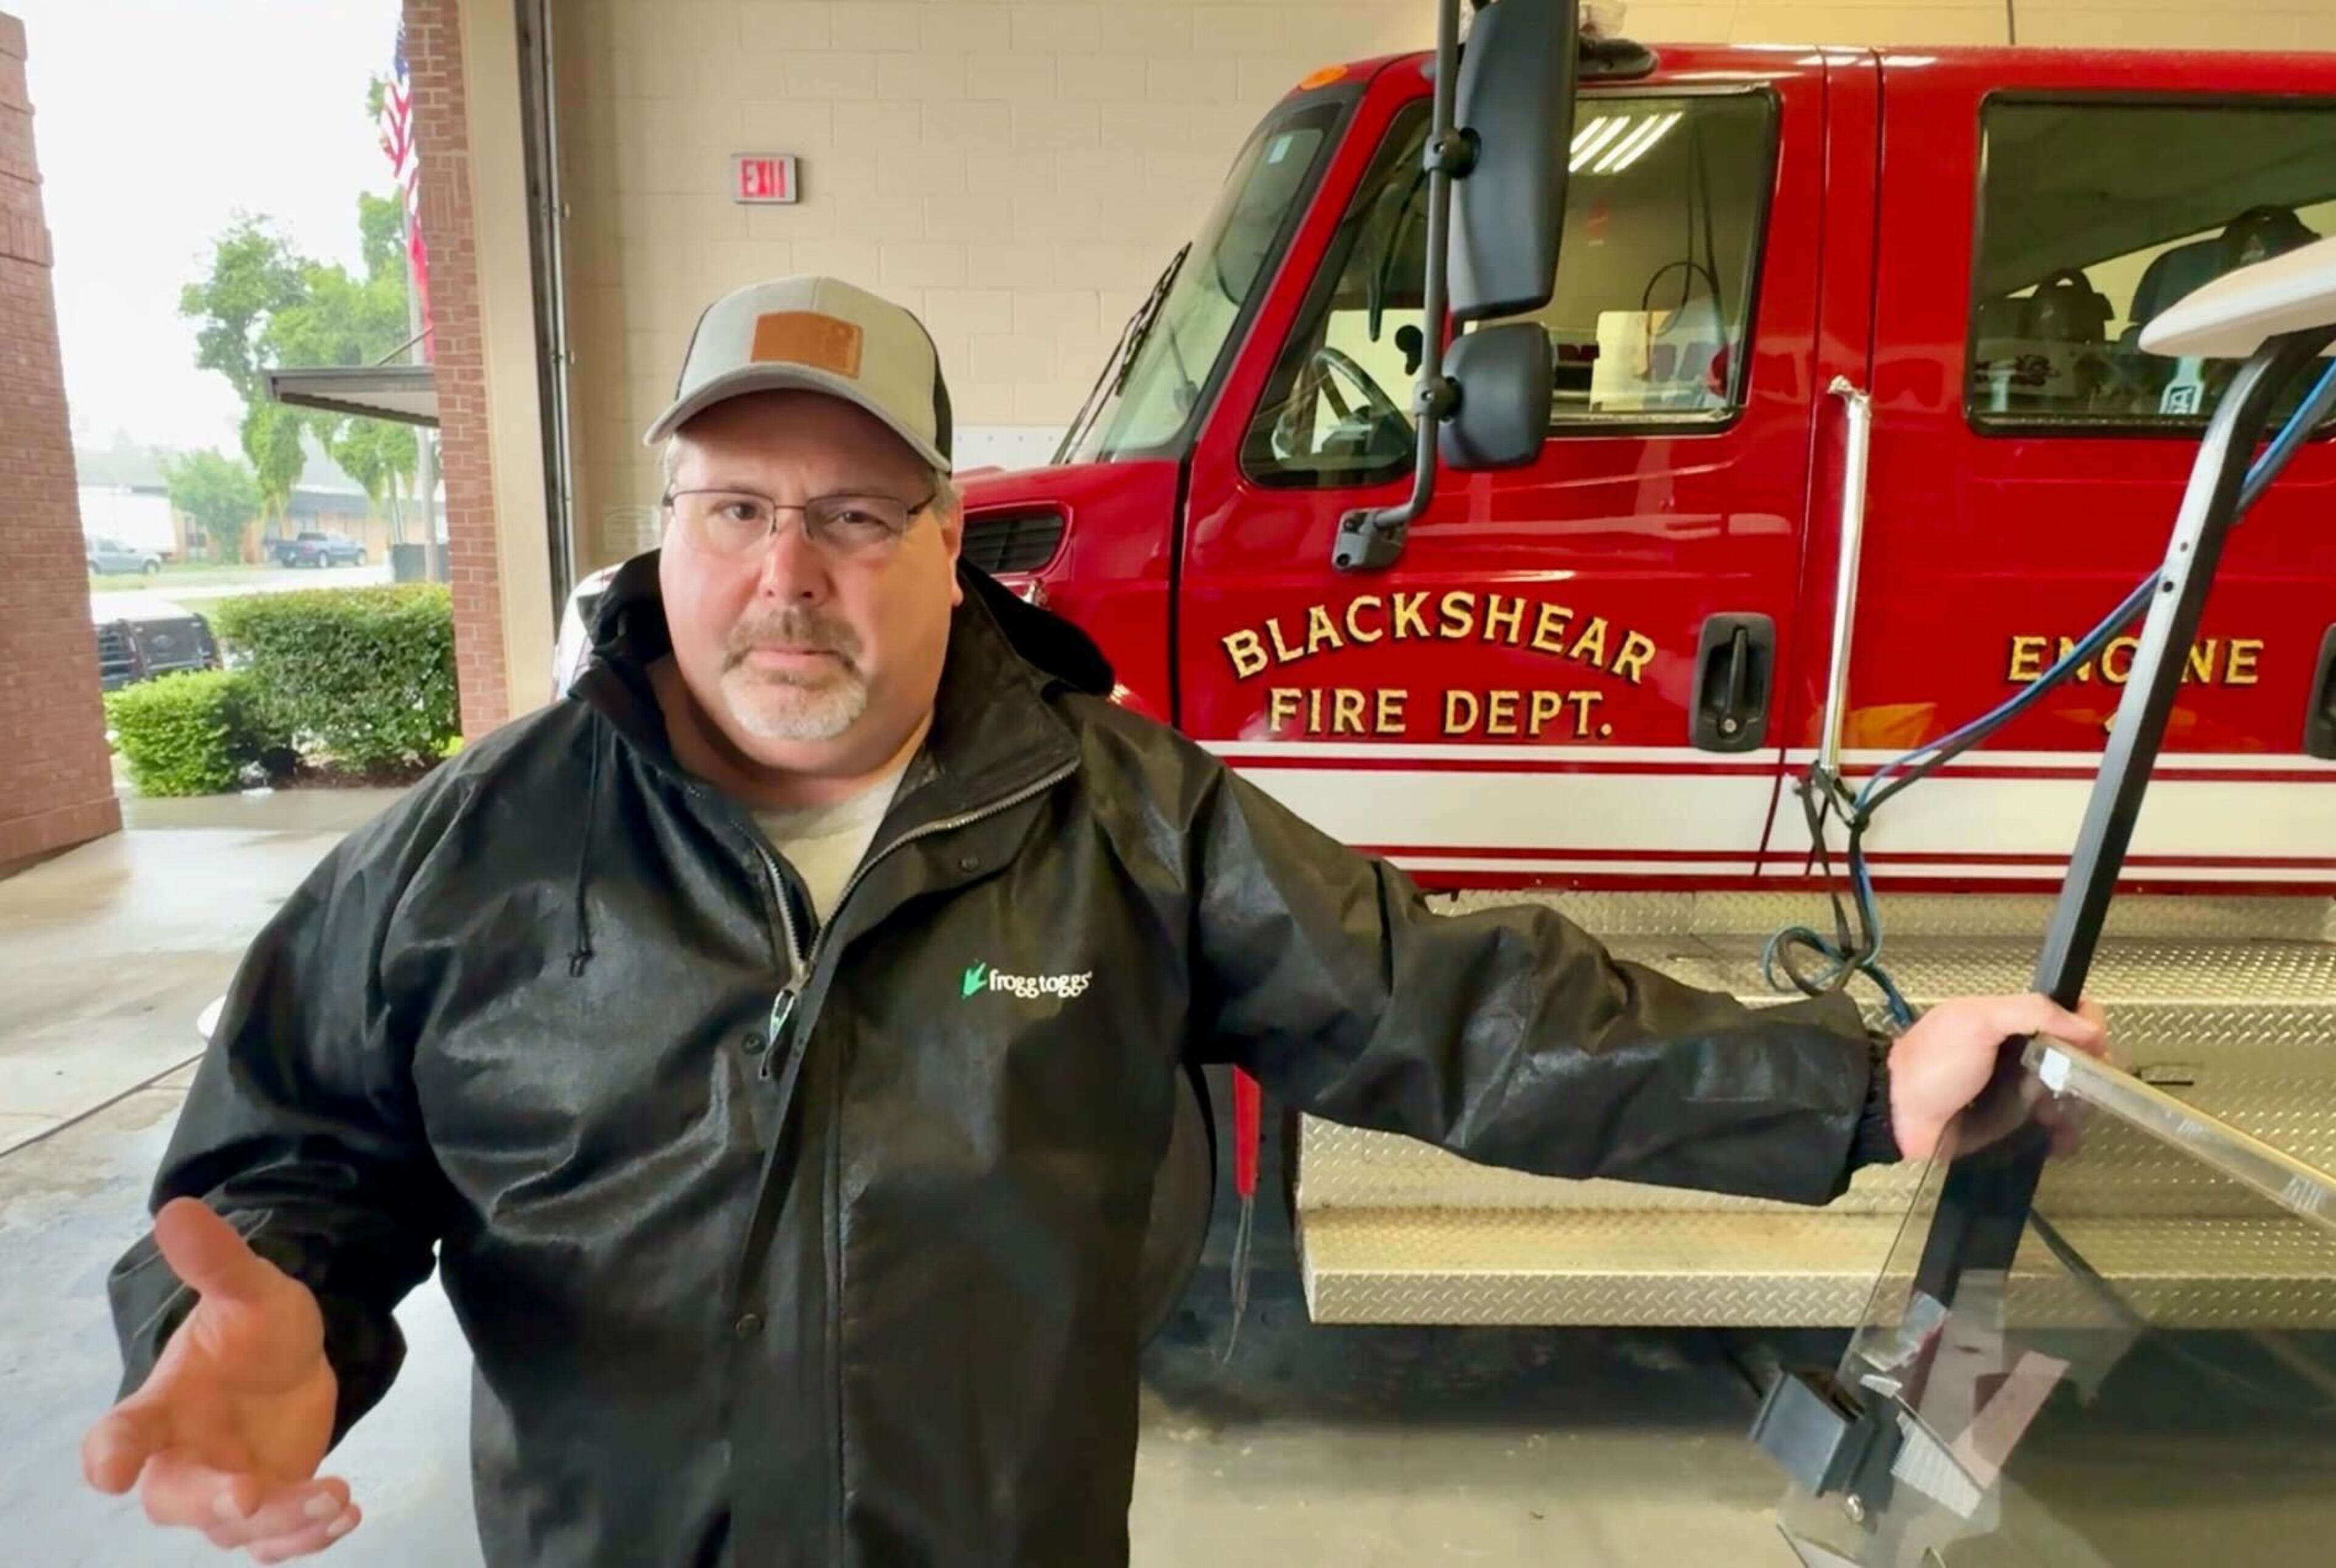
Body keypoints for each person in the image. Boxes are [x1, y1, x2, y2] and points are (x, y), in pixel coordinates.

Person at [82, 276, 2108, 1566]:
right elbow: (292, 1163)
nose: (791, 573)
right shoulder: (476, 852)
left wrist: (1858, 1085)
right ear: (666, 525)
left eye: (855, 514)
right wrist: (259, 1324)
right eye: (737, 508)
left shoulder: (1119, 816)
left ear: (952, 539)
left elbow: (1453, 1007)